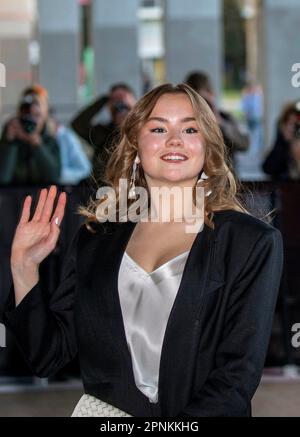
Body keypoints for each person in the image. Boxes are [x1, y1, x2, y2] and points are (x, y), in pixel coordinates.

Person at [0, 83, 283, 417]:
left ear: (207, 145)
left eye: (190, 128)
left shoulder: (251, 242)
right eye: (159, 128)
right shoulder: (96, 239)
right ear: (135, 145)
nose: (175, 139)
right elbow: (48, 356)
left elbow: (235, 379)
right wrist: (23, 268)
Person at [23, 85, 92, 185]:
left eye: (37, 105)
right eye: (26, 109)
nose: (31, 111)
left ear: (46, 110)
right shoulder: (19, 134)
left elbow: (85, 170)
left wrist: (58, 174)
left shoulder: (62, 136)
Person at [185, 71, 249, 172]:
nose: (202, 105)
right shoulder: (183, 122)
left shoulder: (225, 118)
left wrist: (219, 121)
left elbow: (244, 144)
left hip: (225, 179)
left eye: (204, 100)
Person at [71, 83, 136, 180]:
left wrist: (134, 108)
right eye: (115, 100)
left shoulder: (141, 131)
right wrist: (104, 100)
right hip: (104, 188)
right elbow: (78, 124)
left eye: (123, 98)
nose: (119, 106)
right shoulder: (101, 132)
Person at [0, 89, 61, 185]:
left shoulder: (51, 140)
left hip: (42, 196)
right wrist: (10, 143)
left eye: (36, 115)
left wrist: (37, 145)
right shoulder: (10, 135)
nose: (31, 121)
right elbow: (3, 179)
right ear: (19, 113)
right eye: (27, 115)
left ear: (45, 114)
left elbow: (54, 178)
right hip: (12, 197)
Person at [262, 101, 300, 180]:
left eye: (296, 124)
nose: (293, 128)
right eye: (290, 123)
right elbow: (268, 168)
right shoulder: (282, 146)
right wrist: (283, 141)